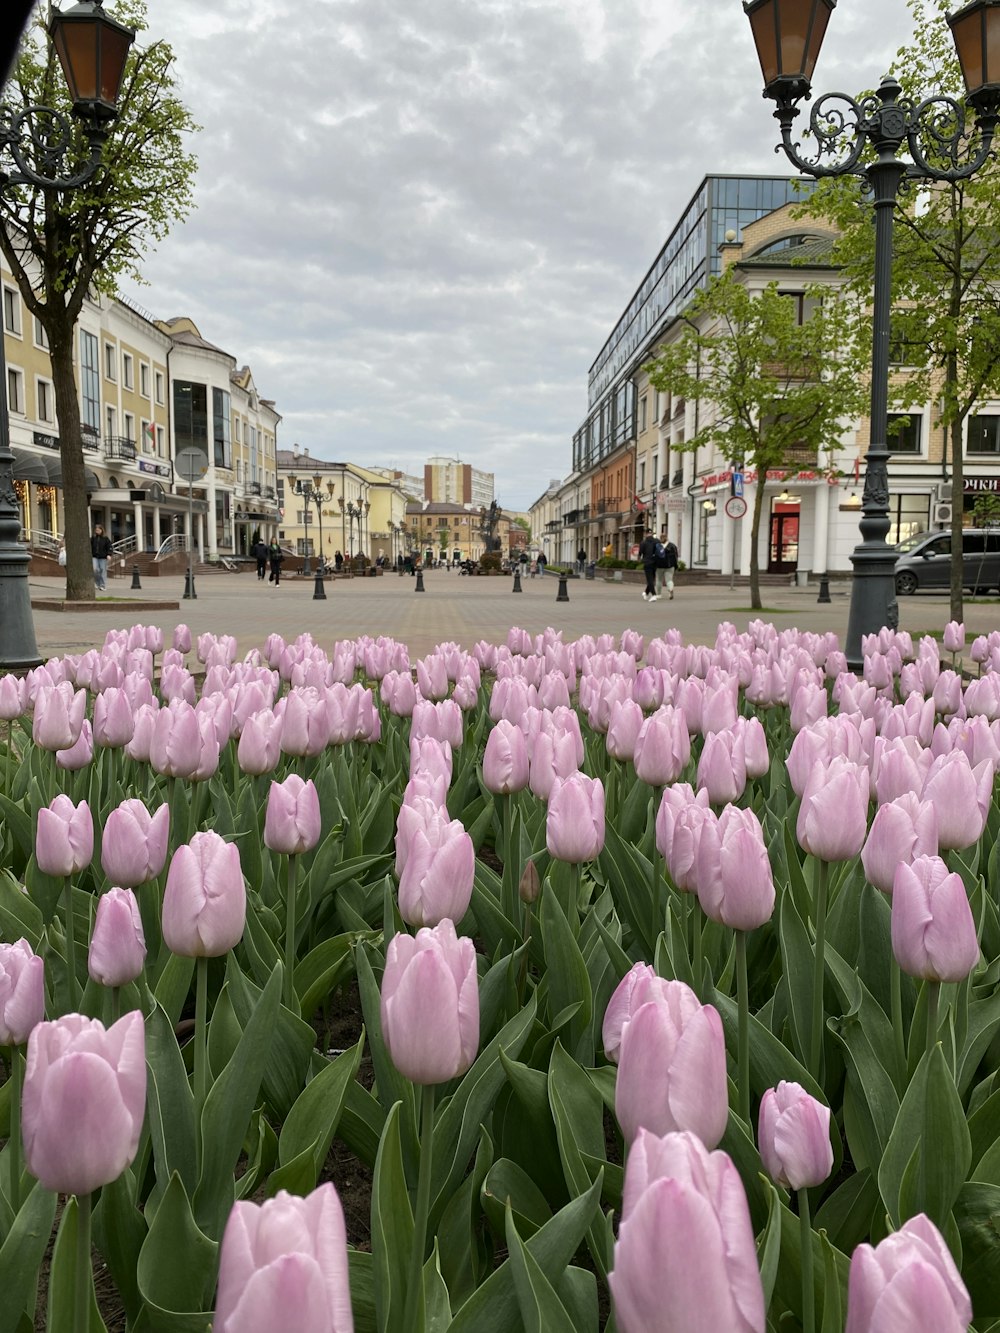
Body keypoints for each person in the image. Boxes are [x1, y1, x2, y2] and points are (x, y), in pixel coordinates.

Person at [655, 531, 679, 600]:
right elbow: (675, 556)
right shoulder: (672, 546)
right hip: (670, 566)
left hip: (659, 566)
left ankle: (659, 595)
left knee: (659, 580)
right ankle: (670, 589)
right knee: (669, 580)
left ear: (660, 538)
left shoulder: (657, 546)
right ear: (667, 538)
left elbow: (654, 556)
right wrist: (675, 565)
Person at [638, 528, 659, 601]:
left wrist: (640, 559)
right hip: (655, 562)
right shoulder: (657, 541)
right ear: (652, 533)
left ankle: (654, 595)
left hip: (647, 562)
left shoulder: (643, 542)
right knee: (652, 578)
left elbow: (640, 553)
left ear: (646, 533)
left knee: (649, 579)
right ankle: (646, 592)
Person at [90, 524, 112, 590]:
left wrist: (109, 554)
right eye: (96, 530)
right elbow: (90, 546)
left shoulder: (105, 538)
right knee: (95, 569)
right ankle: (97, 583)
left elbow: (109, 547)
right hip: (95, 556)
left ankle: (102, 584)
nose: (97, 531)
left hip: (103, 557)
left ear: (102, 530)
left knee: (102, 570)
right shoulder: (93, 538)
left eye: (99, 530)